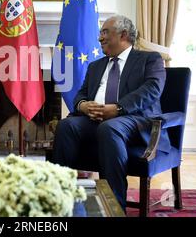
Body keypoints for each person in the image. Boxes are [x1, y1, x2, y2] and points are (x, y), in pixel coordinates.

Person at [52, 15, 167, 211]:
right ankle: (59, 198)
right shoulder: (96, 66)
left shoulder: (149, 59)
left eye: (105, 33)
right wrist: (83, 106)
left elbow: (152, 89)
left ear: (123, 35)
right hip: (95, 120)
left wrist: (118, 108)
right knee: (66, 125)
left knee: (109, 128)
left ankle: (114, 207)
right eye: (100, 33)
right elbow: (80, 95)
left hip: (133, 120)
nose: (100, 38)